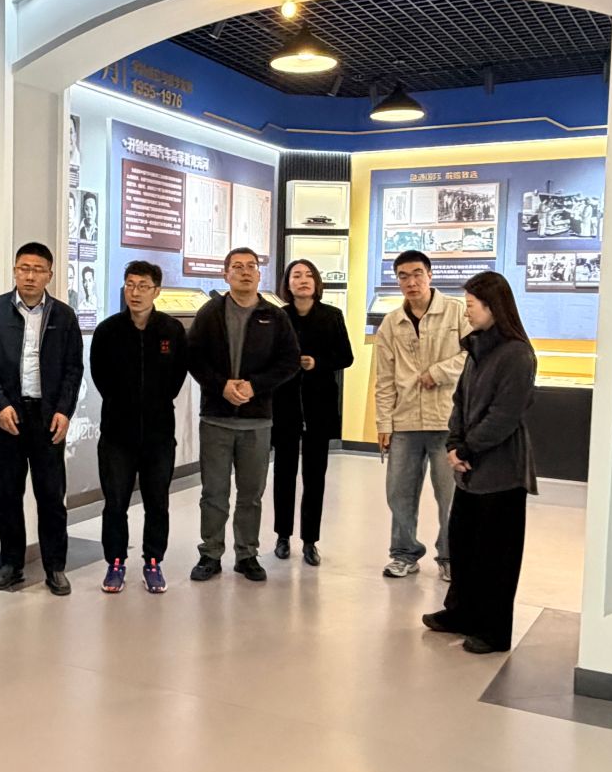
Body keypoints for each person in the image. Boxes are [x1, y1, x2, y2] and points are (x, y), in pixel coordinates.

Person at [421, 271, 536, 653]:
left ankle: (493, 631)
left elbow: (504, 415)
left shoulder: (517, 354)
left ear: (492, 307)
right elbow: (460, 401)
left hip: (501, 471)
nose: (466, 311)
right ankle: (461, 613)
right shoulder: (477, 348)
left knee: (496, 555)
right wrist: (455, 442)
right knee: (464, 545)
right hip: (470, 470)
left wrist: (467, 448)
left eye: (471, 305)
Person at [0, 243, 86, 595]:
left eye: (38, 269)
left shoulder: (64, 316)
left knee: (51, 496)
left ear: (50, 275)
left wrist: (64, 411)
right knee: (8, 494)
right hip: (7, 416)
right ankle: (11, 565)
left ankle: (55, 567)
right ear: (14, 271)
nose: (30, 275)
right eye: (24, 268)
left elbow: (73, 368)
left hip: (47, 417)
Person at [186, 246, 301, 582]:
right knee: (214, 493)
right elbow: (193, 357)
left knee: (251, 494)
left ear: (259, 274)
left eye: (251, 266)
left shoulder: (274, 316)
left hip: (257, 420)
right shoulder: (210, 312)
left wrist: (255, 386)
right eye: (237, 266)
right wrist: (220, 385)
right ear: (226, 275)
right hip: (216, 418)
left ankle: (247, 554)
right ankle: (210, 553)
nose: (245, 272)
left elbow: (289, 361)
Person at [89, 260, 189, 594]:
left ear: (156, 291)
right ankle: (115, 562)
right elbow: (100, 375)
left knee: (157, 502)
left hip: (159, 434)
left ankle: (153, 562)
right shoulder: (108, 331)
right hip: (117, 434)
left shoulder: (171, 331)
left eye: (143, 286)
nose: (135, 292)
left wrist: (155, 403)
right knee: (115, 502)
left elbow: (177, 377)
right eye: (130, 285)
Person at [373, 250, 468, 580]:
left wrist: (438, 372)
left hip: (448, 421)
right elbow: (384, 378)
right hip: (406, 421)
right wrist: (384, 423)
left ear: (430, 275)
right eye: (403, 276)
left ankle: (450, 555)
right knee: (398, 494)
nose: (411, 282)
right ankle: (404, 553)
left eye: (417, 274)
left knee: (450, 496)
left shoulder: (456, 312)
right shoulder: (391, 322)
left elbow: (472, 355)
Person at [270, 258, 354, 565]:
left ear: (317, 282)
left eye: (308, 275)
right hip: (285, 405)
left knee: (315, 476)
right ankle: (282, 536)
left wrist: (317, 363)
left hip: (319, 406)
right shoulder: (278, 316)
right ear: (288, 284)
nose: (303, 280)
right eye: (296, 275)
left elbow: (346, 356)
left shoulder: (332, 315)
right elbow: (268, 358)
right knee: (283, 473)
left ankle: (310, 541)